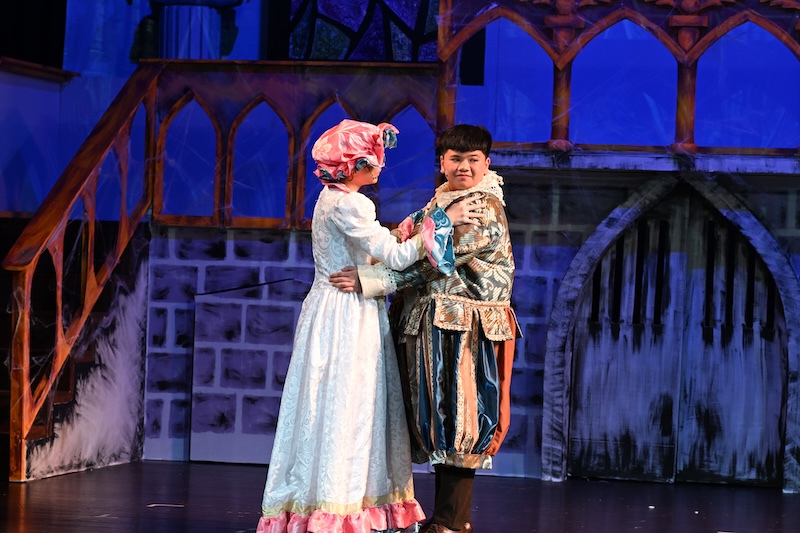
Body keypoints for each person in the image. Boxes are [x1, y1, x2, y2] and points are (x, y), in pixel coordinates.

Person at [256, 119, 481, 533]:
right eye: (373, 159)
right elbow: (396, 257)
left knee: (331, 402)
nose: (380, 166)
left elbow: (377, 244)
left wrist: (412, 227)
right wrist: (444, 219)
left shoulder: (331, 198)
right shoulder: (352, 204)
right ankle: (339, 508)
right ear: (353, 165)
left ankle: (329, 503)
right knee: (350, 404)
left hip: (330, 306)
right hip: (348, 312)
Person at [329, 124, 520, 533]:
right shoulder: (444, 200)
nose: (464, 167)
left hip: (464, 328)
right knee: (436, 417)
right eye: (455, 159)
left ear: (487, 163)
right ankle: (438, 518)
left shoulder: (482, 205)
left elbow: (438, 260)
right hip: (436, 322)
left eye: (473, 160)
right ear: (442, 163)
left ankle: (453, 522)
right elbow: (409, 236)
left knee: (460, 417)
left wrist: (374, 279)